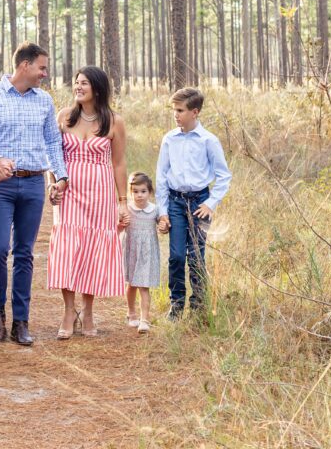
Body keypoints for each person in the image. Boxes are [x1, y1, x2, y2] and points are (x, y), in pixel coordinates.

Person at [0, 41, 68, 346]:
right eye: (42, 67)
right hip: (0, 184)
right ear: (24, 65)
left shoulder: (44, 101)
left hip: (33, 183)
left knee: (25, 253)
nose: (45, 73)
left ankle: (21, 321)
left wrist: (61, 176)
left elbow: (53, 142)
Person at [47, 66, 129, 339]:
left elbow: (118, 164)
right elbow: (54, 156)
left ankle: (88, 311)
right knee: (68, 248)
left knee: (93, 250)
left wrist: (122, 202)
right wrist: (53, 182)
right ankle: (68, 311)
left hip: (100, 193)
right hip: (69, 191)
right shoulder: (64, 117)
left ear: (97, 87)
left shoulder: (114, 121)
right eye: (76, 82)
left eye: (84, 83)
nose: (78, 87)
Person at [156, 87, 232, 319]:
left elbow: (224, 175)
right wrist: (163, 212)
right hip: (176, 202)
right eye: (174, 110)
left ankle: (199, 305)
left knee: (197, 255)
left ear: (195, 112)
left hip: (200, 203)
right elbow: (161, 176)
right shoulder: (170, 139)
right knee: (177, 255)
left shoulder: (208, 140)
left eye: (180, 110)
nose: (176, 115)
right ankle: (176, 305)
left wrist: (211, 203)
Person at [123, 172, 161, 333]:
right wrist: (121, 222)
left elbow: (163, 225)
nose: (139, 195)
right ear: (130, 193)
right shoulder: (127, 210)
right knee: (132, 284)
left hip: (147, 252)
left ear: (150, 192)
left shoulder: (154, 210)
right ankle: (131, 314)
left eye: (143, 191)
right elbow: (118, 226)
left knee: (144, 285)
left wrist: (164, 225)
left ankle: (144, 319)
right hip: (131, 250)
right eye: (135, 191)